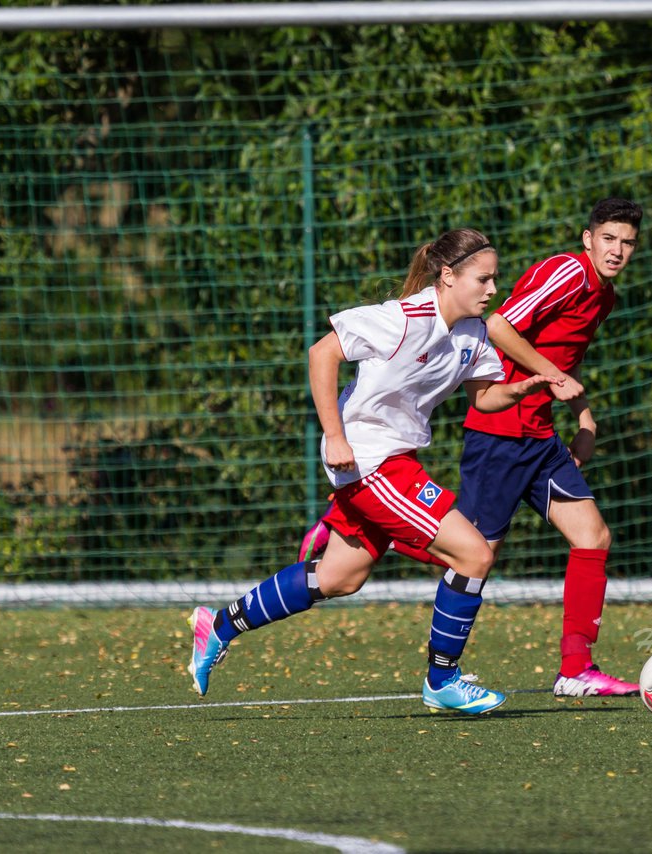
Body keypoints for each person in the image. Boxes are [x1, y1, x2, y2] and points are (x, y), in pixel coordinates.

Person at [188, 228, 559, 715]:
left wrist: (523, 388)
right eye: (483, 279)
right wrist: (336, 435)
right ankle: (442, 680)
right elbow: (322, 353)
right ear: (447, 276)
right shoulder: (401, 318)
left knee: (341, 578)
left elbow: (484, 399)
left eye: (495, 280)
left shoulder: (472, 332)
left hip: (393, 460)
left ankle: (218, 626)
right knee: (473, 554)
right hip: (368, 459)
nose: (493, 290)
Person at [456, 197, 644, 698]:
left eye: (627, 242)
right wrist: (553, 376)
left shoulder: (605, 297)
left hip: (540, 437)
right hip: (499, 433)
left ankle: (576, 668)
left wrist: (585, 417)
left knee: (593, 536)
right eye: (608, 239)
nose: (617, 250)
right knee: (469, 554)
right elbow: (498, 326)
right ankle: (360, 527)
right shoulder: (567, 272)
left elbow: (565, 358)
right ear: (589, 239)